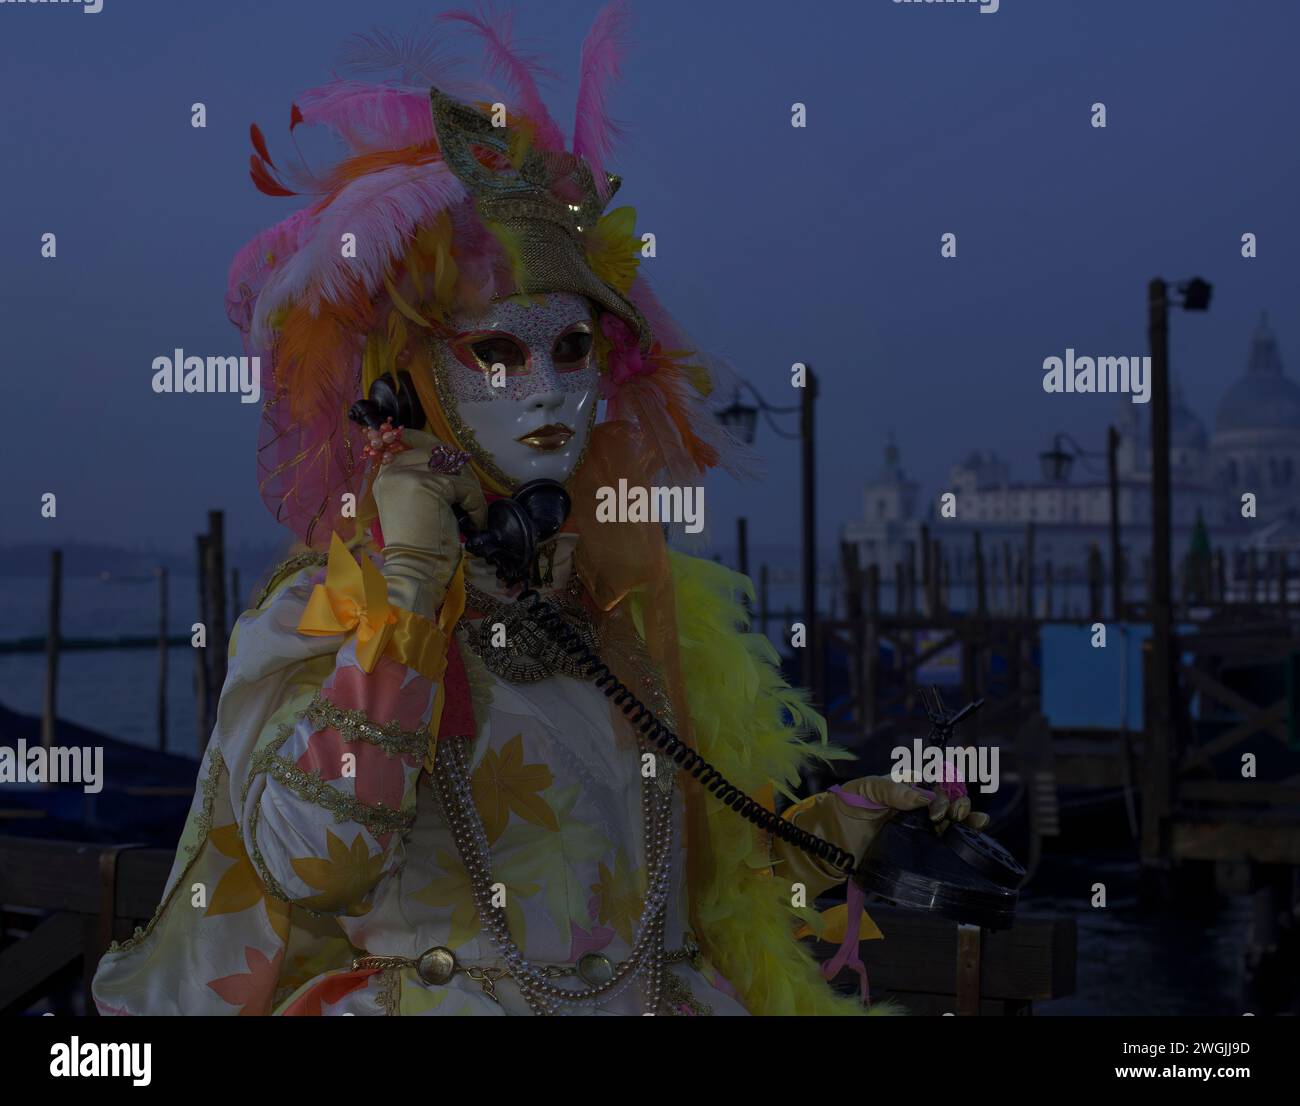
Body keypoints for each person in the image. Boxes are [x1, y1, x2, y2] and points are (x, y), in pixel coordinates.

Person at [92, 3, 984, 1017]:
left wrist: (853, 818)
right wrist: (409, 598)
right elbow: (316, 862)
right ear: (405, 387)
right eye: (499, 352)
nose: (551, 389)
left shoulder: (619, 618)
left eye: (574, 349)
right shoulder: (332, 615)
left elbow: (691, 904)